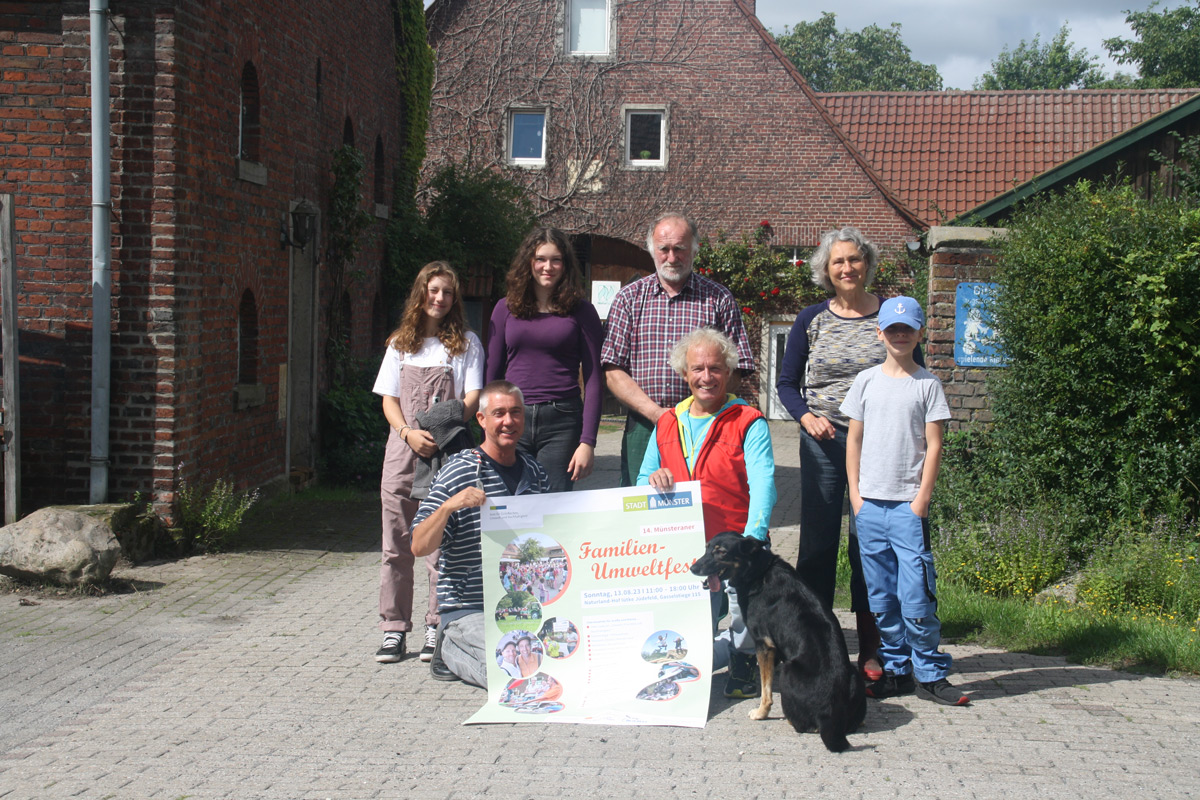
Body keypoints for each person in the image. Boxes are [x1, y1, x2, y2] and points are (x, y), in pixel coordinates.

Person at [776, 226, 925, 683]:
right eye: (838, 262)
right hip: (823, 440)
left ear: (868, 265)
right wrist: (805, 417)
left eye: (854, 260)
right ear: (825, 269)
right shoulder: (810, 320)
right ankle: (815, 645)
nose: (846, 268)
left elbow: (916, 373)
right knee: (818, 545)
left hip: (880, 447)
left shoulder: (889, 316)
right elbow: (785, 383)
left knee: (872, 547)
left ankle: (873, 650)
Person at [841, 296, 968, 706]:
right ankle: (895, 670)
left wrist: (921, 501)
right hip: (870, 507)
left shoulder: (927, 385)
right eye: (891, 329)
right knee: (880, 597)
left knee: (916, 595)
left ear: (919, 334)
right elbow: (854, 440)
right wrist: (856, 496)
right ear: (879, 333)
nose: (899, 335)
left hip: (907, 508)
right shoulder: (865, 382)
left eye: (907, 329)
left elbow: (934, 446)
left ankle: (929, 672)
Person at [638, 328, 777, 699]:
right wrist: (652, 479)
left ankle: (746, 663)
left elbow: (764, 484)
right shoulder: (667, 421)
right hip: (685, 544)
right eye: (697, 368)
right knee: (692, 620)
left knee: (743, 613)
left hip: (734, 541)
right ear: (684, 374)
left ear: (728, 372)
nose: (706, 377)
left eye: (715, 368)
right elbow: (640, 481)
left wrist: (755, 537)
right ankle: (694, 664)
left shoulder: (748, 420)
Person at [373, 261, 484, 665]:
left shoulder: (467, 344)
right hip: (402, 451)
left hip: (447, 450)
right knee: (396, 544)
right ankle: (393, 629)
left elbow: (473, 399)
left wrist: (439, 431)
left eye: (448, 292)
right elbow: (389, 399)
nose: (440, 298)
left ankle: (436, 623)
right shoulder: (400, 344)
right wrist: (407, 433)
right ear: (421, 294)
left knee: (441, 542)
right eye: (433, 290)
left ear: (455, 299)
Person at [411, 381, 552, 686]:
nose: (508, 421)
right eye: (499, 413)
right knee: (509, 671)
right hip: (469, 609)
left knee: (565, 657)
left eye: (515, 413)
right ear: (481, 419)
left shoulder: (535, 473)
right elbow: (419, 545)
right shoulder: (459, 471)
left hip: (521, 608)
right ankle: (448, 645)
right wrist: (449, 506)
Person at [602, 212, 754, 487]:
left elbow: (736, 367)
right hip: (645, 425)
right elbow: (613, 370)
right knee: (641, 507)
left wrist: (696, 410)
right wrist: (659, 415)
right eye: (664, 249)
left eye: (680, 249)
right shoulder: (629, 298)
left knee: (703, 505)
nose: (672, 257)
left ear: (694, 249)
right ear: (652, 251)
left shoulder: (719, 299)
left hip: (705, 424)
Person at [487, 227, 604, 492]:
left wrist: (588, 442)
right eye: (540, 259)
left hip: (562, 422)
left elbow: (595, 377)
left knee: (552, 511)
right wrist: (487, 426)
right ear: (528, 262)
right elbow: (492, 374)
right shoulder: (505, 308)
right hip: (512, 418)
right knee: (507, 503)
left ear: (566, 265)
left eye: (556, 260)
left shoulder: (582, 311)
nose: (547, 266)